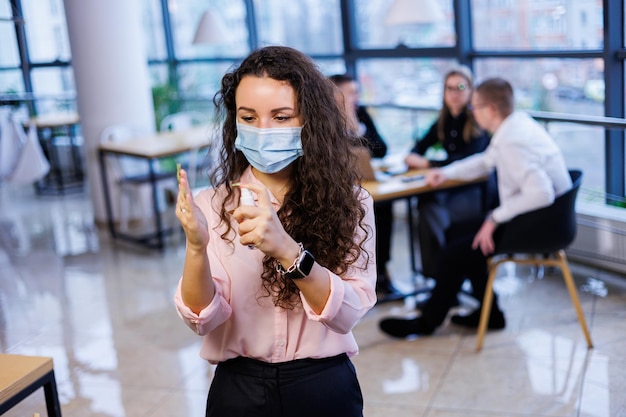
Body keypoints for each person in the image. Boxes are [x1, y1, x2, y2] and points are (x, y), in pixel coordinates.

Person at [173, 46, 377, 416]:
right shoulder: (212, 204)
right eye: (248, 117)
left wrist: (287, 250)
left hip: (323, 386)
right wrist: (197, 248)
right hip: (239, 389)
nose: (262, 131)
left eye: (281, 117)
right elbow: (202, 317)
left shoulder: (353, 202)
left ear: (309, 122)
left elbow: (347, 313)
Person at [379, 77, 572, 338]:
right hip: (543, 217)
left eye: (475, 107)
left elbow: (541, 194)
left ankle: (428, 322)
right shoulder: (514, 125)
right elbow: (484, 162)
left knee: (457, 251)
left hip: (542, 223)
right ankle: (490, 313)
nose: (472, 111)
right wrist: (445, 173)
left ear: (490, 110)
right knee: (457, 233)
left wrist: (493, 219)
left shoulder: (512, 139)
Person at [404, 65, 491, 279]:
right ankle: (440, 274)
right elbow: (418, 147)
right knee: (426, 204)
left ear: (471, 90)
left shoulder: (476, 120)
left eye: (460, 87)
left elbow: (467, 161)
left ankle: (445, 273)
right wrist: (414, 156)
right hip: (450, 187)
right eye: (449, 88)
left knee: (429, 209)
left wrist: (428, 164)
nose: (454, 93)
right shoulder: (444, 120)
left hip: (474, 191)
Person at [329, 73, 398, 296]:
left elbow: (381, 149)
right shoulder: (324, 118)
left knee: (383, 207)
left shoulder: (361, 113)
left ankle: (382, 271)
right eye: (351, 93)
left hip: (365, 183)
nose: (357, 97)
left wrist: (355, 124)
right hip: (335, 188)